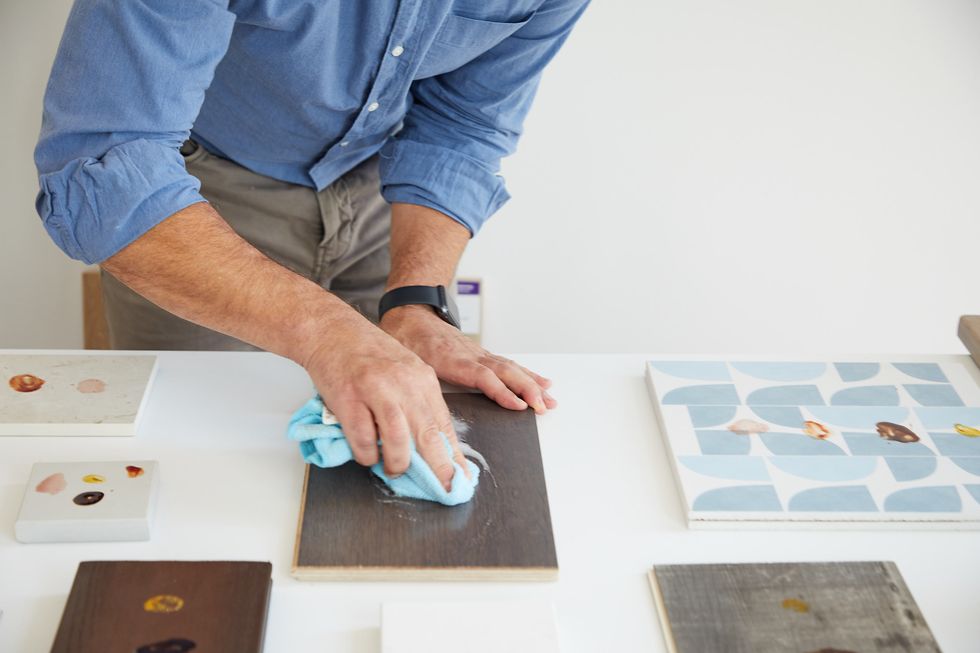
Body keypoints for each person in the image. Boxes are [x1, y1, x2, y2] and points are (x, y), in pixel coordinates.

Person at [34, 0, 588, 491]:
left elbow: (461, 127)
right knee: (191, 469)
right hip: (191, 201)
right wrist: (328, 333)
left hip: (384, 196)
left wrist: (417, 302)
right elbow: (103, 171)